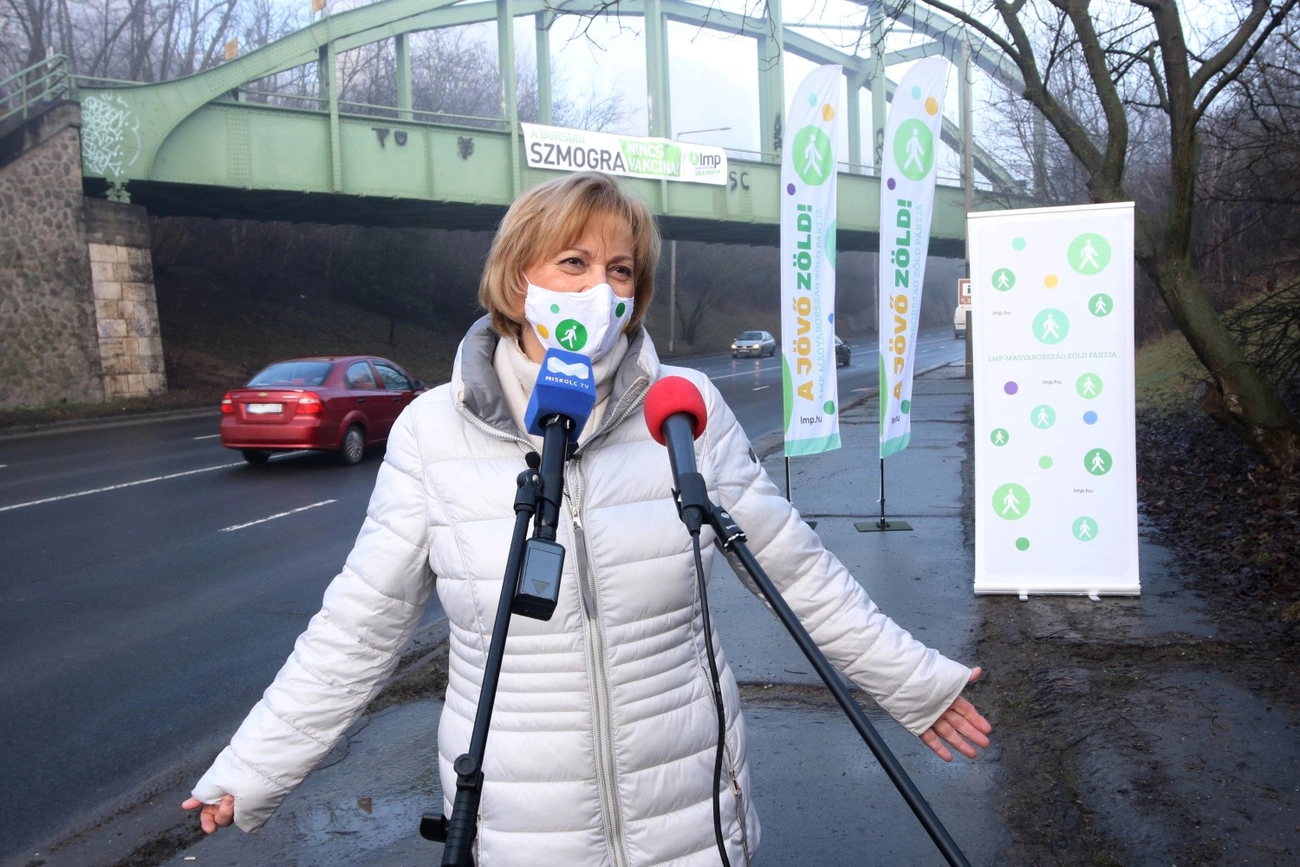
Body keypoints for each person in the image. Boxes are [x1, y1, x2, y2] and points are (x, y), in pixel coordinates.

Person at [182, 171, 991, 865]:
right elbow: (358, 627)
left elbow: (797, 569)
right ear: (515, 276)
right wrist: (253, 767)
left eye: (620, 269)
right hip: (524, 828)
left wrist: (915, 685)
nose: (599, 287)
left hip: (691, 817)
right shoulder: (433, 431)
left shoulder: (685, 410)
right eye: (573, 260)